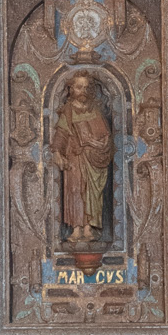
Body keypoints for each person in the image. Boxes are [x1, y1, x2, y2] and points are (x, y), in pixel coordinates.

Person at [51, 72, 113, 244]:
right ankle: (76, 229)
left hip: (93, 159)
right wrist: (57, 152)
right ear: (71, 89)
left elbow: (105, 135)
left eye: (86, 87)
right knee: (75, 191)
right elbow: (61, 134)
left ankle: (89, 228)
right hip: (75, 158)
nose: (83, 91)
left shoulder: (95, 110)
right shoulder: (69, 111)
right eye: (79, 87)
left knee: (91, 192)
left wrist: (99, 144)